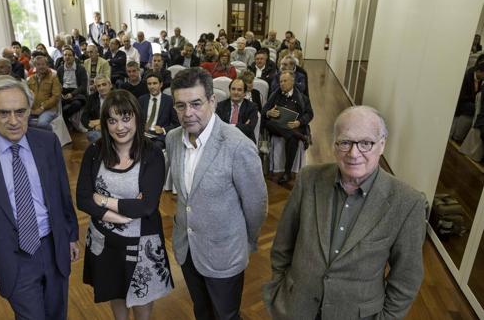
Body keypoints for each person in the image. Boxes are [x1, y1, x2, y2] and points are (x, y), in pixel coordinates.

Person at [264, 105, 427, 320]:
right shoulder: (308, 179)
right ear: (334, 144)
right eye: (345, 142)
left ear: (382, 145)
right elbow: (283, 243)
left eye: (366, 143)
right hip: (295, 308)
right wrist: (278, 286)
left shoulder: (408, 203)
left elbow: (406, 278)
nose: (353, 153)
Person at [0, 75, 79, 320]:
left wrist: (71, 234)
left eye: (20, 112)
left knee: (57, 314)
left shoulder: (47, 141)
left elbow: (61, 193)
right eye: (3, 113)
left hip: (53, 246)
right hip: (10, 256)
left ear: (30, 108)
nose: (14, 121)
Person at [166, 67, 267, 320]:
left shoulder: (238, 146)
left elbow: (256, 206)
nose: (188, 113)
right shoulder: (173, 138)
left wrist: (243, 242)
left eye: (196, 103)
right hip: (188, 250)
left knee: (226, 315)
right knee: (202, 311)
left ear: (212, 101)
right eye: (180, 106)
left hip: (224, 254)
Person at [77, 89, 173, 320]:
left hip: (142, 243)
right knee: (115, 293)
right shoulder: (94, 151)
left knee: (141, 298)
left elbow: (147, 207)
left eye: (126, 118)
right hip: (104, 241)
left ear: (137, 118)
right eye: (112, 120)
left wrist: (101, 200)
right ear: (105, 123)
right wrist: (118, 214)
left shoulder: (152, 154)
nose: (120, 127)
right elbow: (82, 198)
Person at [262, 71, 313, 184]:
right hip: (277, 125)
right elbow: (264, 111)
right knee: (269, 123)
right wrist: (269, 113)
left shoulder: (302, 97)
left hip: (293, 126)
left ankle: (287, 172)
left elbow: (310, 114)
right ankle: (301, 137)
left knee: (292, 138)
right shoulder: (275, 94)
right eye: (280, 81)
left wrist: (299, 122)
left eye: (285, 81)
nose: (282, 84)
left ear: (292, 81)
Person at [138, 72, 179, 149]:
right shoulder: (142, 99)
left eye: (155, 83)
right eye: (149, 84)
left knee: (154, 148)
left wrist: (163, 130)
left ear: (161, 84)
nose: (152, 86)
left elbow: (177, 124)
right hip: (143, 134)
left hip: (158, 137)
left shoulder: (169, 100)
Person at [215, 78, 259, 143]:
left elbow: (249, 128)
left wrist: (229, 125)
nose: (236, 92)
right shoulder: (220, 106)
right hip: (223, 141)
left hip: (245, 141)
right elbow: (217, 127)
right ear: (229, 90)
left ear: (244, 93)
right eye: (233, 89)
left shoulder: (252, 107)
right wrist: (242, 126)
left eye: (239, 90)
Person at [57, 47, 89, 132]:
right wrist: (61, 93)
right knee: (57, 105)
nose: (67, 57)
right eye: (65, 55)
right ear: (63, 57)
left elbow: (83, 86)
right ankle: (68, 122)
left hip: (77, 92)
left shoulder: (80, 69)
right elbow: (58, 84)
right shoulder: (60, 69)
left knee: (77, 104)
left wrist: (72, 94)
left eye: (69, 55)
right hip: (63, 92)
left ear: (74, 57)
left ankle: (67, 120)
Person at [27, 55, 62, 130]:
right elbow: (27, 96)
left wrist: (42, 108)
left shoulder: (53, 78)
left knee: (42, 124)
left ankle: (52, 136)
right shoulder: (30, 79)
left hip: (49, 109)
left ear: (47, 65)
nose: (41, 67)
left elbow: (56, 97)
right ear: (35, 66)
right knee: (23, 121)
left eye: (43, 64)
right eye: (38, 64)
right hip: (33, 108)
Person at [83, 75, 112, 142]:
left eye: (104, 84)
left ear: (110, 85)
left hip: (114, 128)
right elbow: (84, 117)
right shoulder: (91, 98)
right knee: (94, 136)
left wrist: (100, 122)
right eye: (98, 86)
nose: (101, 88)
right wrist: (94, 126)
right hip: (97, 130)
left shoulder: (117, 97)